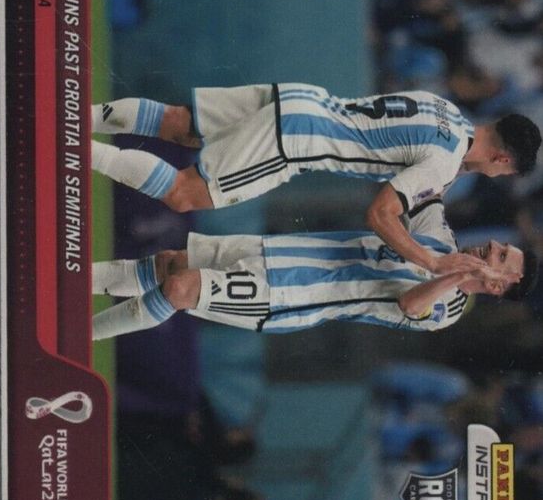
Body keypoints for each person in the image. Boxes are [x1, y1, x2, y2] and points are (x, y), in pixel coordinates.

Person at [91, 84, 541, 275]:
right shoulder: (444, 162)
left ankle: (79, 116)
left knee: (179, 123)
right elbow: (380, 214)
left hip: (303, 98)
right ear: (502, 158)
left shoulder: (445, 108)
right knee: (184, 194)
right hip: (297, 140)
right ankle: (78, 148)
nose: (495, 175)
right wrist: (432, 262)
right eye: (503, 171)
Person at [92, 198, 537, 340]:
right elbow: (428, 189)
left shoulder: (450, 309)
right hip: (281, 251)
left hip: (289, 296)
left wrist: (455, 274)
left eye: (500, 257)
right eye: (500, 245)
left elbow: (409, 303)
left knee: (180, 288)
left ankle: (80, 335)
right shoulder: (438, 236)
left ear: (499, 286)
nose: (491, 246)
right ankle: (71, 284)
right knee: (169, 263)